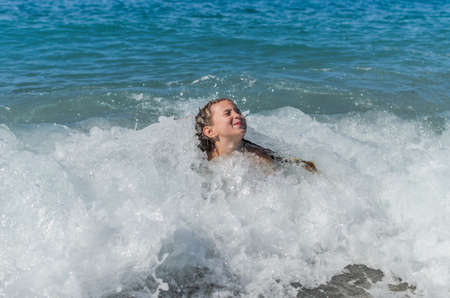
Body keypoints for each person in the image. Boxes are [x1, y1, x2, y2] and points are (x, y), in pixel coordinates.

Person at [195, 98, 317, 173]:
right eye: (227, 113)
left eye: (238, 111)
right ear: (210, 131)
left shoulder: (259, 159)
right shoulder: (202, 156)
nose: (237, 115)